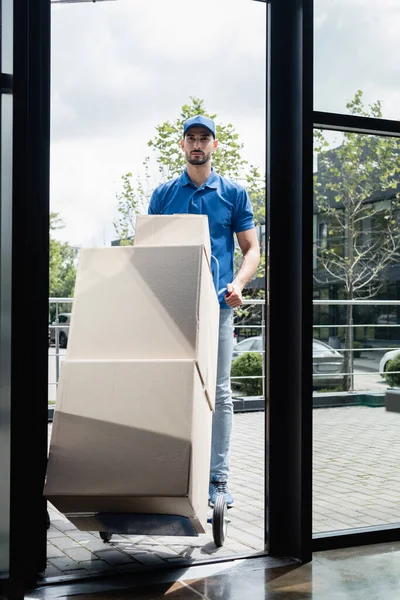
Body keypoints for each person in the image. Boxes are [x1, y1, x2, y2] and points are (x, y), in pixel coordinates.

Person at [148, 115, 260, 507]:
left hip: (217, 308)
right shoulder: (163, 194)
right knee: (169, 385)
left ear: (215, 145)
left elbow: (251, 250)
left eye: (204, 139)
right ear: (181, 145)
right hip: (171, 307)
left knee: (221, 391)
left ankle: (218, 480)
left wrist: (239, 284)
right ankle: (169, 470)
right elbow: (148, 249)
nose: (197, 144)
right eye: (191, 138)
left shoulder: (233, 192)